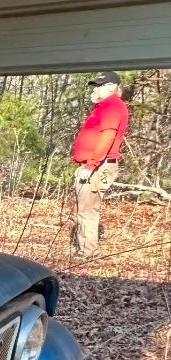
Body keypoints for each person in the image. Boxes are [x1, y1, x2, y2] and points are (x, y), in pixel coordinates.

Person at [70, 70, 129, 256]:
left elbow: (108, 136)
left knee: (87, 210)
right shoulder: (104, 106)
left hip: (98, 166)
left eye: (100, 86)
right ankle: (84, 249)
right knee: (84, 208)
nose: (95, 90)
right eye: (95, 85)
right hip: (94, 165)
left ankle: (87, 253)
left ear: (112, 87)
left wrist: (91, 165)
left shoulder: (112, 106)